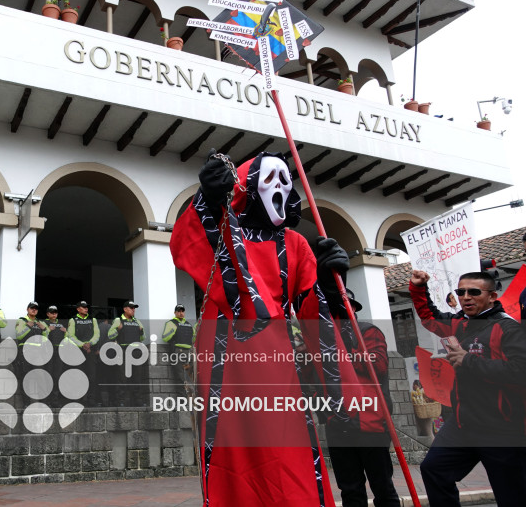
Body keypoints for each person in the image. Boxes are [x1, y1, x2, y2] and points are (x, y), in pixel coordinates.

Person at [170, 151, 358, 506]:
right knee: (234, 453)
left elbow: (312, 311)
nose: (280, 187)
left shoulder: (295, 243)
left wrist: (332, 289)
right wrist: (208, 200)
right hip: (225, 356)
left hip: (276, 359)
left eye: (286, 181)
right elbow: (187, 247)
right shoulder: (225, 227)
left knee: (288, 451)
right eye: (271, 178)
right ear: (248, 185)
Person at [410, 269, 526, 506]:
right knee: (433, 470)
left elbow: (520, 371)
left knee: (512, 496)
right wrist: (418, 288)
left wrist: (468, 361)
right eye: (461, 292)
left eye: (474, 292)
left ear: (492, 296)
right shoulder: (460, 324)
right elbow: (430, 318)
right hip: (463, 425)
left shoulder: (508, 329)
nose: (466, 297)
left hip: (502, 430)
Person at [326, 289, 399, 507]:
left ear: (353, 308)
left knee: (382, 487)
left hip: (371, 421)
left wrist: (342, 351)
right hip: (337, 422)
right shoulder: (324, 338)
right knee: (350, 489)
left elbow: (378, 365)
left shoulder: (368, 331)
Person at [108, 300, 145, 407]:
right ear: (125, 309)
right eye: (131, 308)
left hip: (136, 352)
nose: (133, 310)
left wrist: (141, 331)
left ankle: (138, 400)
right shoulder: (118, 320)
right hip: (123, 351)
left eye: (134, 308)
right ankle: (121, 400)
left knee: (137, 377)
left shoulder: (137, 321)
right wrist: (118, 330)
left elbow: (143, 338)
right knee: (122, 377)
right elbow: (110, 335)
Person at [14, 301, 48, 407]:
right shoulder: (22, 321)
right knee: (26, 377)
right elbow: (19, 335)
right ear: (27, 309)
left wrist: (44, 329)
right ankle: (26, 403)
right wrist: (28, 327)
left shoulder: (40, 322)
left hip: (38, 354)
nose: (34, 310)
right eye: (32, 308)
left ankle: (43, 402)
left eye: (36, 308)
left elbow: (45, 339)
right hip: (25, 352)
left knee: (40, 377)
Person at [67, 300, 99, 406]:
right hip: (78, 352)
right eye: (83, 307)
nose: (86, 308)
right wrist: (82, 345)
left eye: (86, 307)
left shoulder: (92, 319)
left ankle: (91, 400)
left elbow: (97, 334)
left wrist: (90, 343)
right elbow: (71, 336)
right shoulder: (73, 320)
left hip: (90, 350)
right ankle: (79, 399)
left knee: (92, 376)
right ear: (78, 309)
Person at [161, 304, 195, 398]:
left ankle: (190, 398)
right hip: (178, 352)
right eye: (179, 311)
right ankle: (182, 399)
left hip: (189, 352)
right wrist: (173, 331)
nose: (181, 313)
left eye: (182, 311)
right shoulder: (171, 323)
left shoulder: (188, 324)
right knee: (180, 377)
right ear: (175, 312)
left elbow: (194, 338)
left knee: (190, 376)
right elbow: (165, 338)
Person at [43, 304, 67, 407]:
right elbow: (41, 336)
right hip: (48, 350)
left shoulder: (61, 324)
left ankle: (55, 400)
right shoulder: (43, 323)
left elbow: (67, 338)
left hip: (59, 351)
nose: (54, 314)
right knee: (47, 375)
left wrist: (66, 332)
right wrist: (48, 329)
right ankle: (46, 400)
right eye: (52, 312)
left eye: (55, 312)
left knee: (57, 375)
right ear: (48, 313)